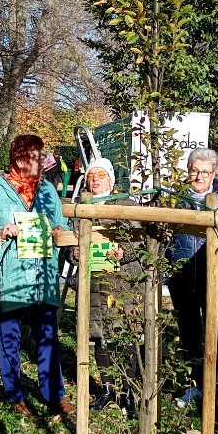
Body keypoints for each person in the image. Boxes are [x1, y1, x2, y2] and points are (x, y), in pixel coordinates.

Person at [0, 134, 73, 416]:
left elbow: (60, 223)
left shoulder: (47, 191)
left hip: (43, 277)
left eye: (44, 157)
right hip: (11, 276)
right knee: (10, 337)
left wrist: (59, 232)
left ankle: (55, 395)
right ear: (19, 159)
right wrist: (0, 233)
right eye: (37, 157)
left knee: (47, 336)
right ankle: (15, 395)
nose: (43, 162)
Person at [167, 147, 218, 424]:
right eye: (194, 171)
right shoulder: (176, 200)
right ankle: (195, 385)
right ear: (187, 171)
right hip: (182, 279)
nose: (199, 176)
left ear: (214, 173)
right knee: (189, 333)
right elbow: (165, 238)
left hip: (216, 280)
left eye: (205, 172)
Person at [70, 157, 144, 420]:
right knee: (99, 334)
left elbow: (141, 240)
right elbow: (70, 239)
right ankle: (107, 388)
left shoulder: (125, 205)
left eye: (101, 175)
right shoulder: (82, 206)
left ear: (111, 180)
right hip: (92, 281)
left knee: (122, 334)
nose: (96, 179)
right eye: (91, 175)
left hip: (121, 281)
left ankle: (127, 391)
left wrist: (125, 251)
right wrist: (74, 252)